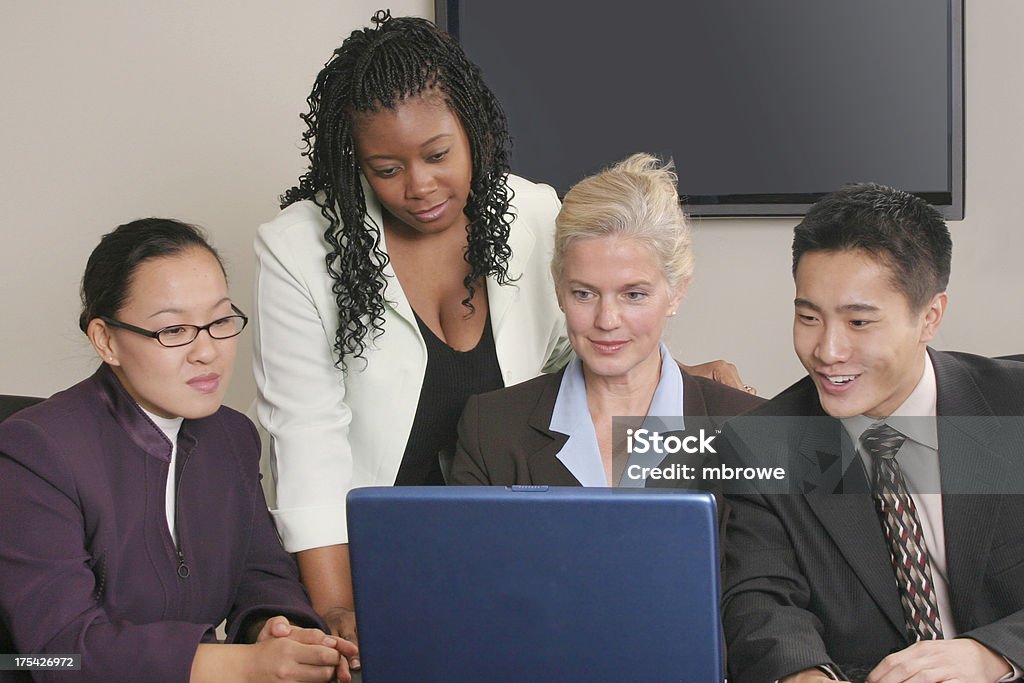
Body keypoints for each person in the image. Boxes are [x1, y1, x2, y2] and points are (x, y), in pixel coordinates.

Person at [252, 11, 752, 657]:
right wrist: (341, 611)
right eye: (386, 167)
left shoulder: (534, 213)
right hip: (375, 545)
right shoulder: (298, 250)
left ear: (473, 128)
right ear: (355, 160)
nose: (420, 186)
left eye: (438, 154)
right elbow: (306, 446)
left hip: (507, 520)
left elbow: (579, 338)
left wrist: (681, 382)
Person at [0, 219, 356, 683]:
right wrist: (239, 666)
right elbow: (57, 653)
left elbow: (262, 577)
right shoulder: (35, 451)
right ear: (106, 340)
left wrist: (278, 632)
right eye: (174, 330)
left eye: (221, 321)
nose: (207, 351)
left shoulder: (231, 436)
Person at [718, 184, 1024, 682]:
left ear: (930, 317)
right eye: (808, 317)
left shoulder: (1014, 407)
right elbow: (761, 603)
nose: (828, 350)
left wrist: (993, 655)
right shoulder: (762, 444)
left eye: (859, 321)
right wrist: (805, 674)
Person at [450, 153, 762, 488]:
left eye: (633, 295)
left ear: (676, 293)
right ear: (559, 290)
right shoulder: (492, 427)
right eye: (584, 293)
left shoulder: (752, 430)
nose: (607, 320)